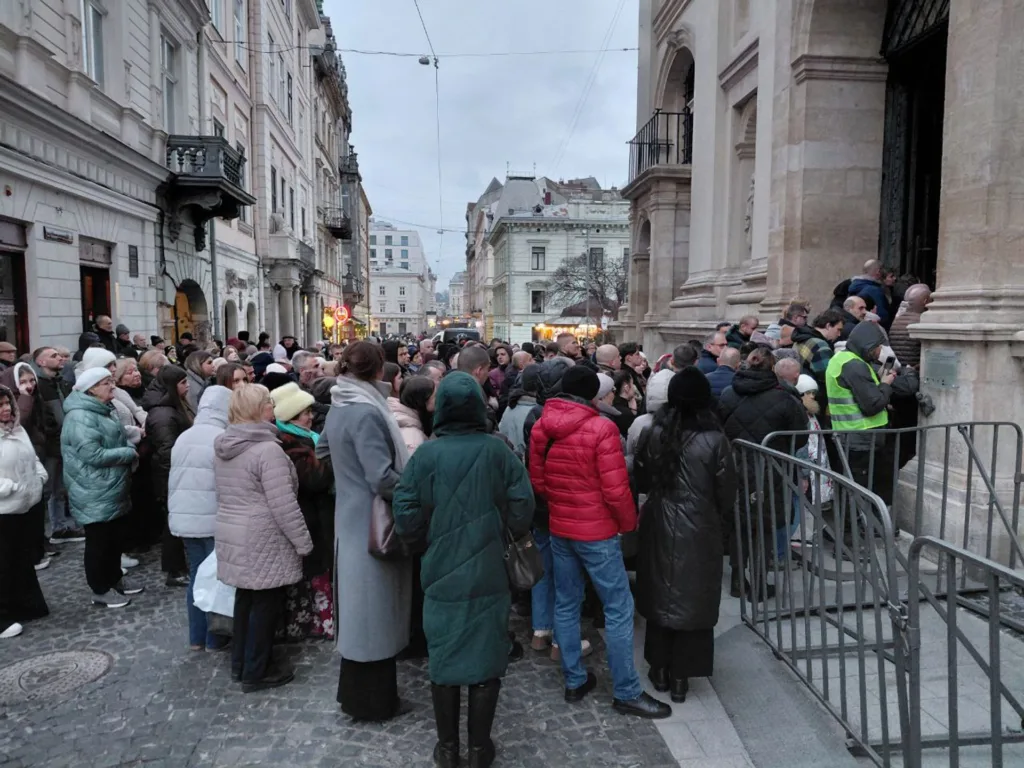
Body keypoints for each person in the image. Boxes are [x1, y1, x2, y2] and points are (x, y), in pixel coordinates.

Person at [393, 372, 535, 768]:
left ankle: (448, 748)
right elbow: (523, 506)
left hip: (439, 567)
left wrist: (424, 537)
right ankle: (478, 749)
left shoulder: (427, 455)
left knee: (444, 656)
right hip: (489, 567)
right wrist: (501, 526)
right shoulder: (498, 452)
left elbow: (404, 510)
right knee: (486, 656)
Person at [529, 366, 671, 719]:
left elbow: (539, 480)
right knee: (619, 608)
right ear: (592, 395)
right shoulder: (602, 428)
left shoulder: (542, 426)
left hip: (561, 527)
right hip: (597, 532)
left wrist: (562, 506)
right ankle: (626, 690)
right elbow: (615, 489)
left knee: (566, 601)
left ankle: (574, 680)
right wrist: (627, 525)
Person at [318, 341, 412, 721]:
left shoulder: (340, 405)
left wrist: (346, 479)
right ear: (378, 371)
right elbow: (382, 478)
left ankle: (358, 696)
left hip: (350, 517)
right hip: (371, 524)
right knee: (374, 614)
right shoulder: (367, 412)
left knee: (361, 613)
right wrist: (415, 486)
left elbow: (323, 451)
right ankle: (374, 702)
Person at [634, 369, 736, 702]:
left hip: (659, 522)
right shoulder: (715, 440)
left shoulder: (654, 433)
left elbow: (643, 478)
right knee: (692, 599)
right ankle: (681, 676)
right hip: (700, 527)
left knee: (662, 593)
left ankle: (660, 669)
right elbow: (726, 492)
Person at [215, 384, 313, 692]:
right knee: (265, 605)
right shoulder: (267, 449)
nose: (273, 408)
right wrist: (303, 542)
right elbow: (283, 504)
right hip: (262, 536)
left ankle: (241, 663)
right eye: (268, 404)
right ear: (258, 410)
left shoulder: (225, 443)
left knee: (246, 600)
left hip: (232, 528)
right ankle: (256, 670)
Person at [718, 349, 808, 598]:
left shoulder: (728, 394)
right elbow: (799, 437)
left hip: (736, 466)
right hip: (772, 470)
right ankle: (758, 582)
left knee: (740, 523)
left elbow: (719, 427)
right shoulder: (785, 399)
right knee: (765, 525)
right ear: (772, 368)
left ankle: (738, 579)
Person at [61, 368, 140, 607]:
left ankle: (114, 579)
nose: (112, 387)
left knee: (114, 538)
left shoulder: (103, 409)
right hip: (92, 488)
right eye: (107, 383)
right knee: (99, 541)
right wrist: (127, 452)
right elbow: (91, 453)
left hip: (109, 485)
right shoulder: (80, 416)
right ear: (92, 388)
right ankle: (100, 589)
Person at [168, 385, 232, 651]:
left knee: (197, 575)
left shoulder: (185, 435)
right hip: (212, 518)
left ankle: (197, 637)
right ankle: (216, 637)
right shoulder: (221, 437)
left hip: (184, 518)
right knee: (217, 578)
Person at [271, 383, 336, 641]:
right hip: (308, 516)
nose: (310, 417)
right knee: (314, 568)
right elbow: (314, 479)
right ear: (289, 417)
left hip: (315, 515)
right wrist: (331, 458)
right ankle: (318, 622)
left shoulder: (303, 438)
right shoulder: (290, 443)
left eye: (309, 411)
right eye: (303, 413)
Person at [0, 385, 50, 639]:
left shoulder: (16, 429)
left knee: (21, 559)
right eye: (0, 405)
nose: (7, 408)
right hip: (4, 508)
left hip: (25, 504)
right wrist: (8, 489)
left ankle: (25, 604)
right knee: (3, 562)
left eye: (7, 403)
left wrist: (39, 477)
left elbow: (31, 458)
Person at [145, 365, 194, 588]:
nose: (188, 386)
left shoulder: (172, 405)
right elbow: (167, 450)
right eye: (183, 383)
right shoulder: (163, 414)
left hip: (176, 471)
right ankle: (174, 570)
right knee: (172, 524)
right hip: (169, 474)